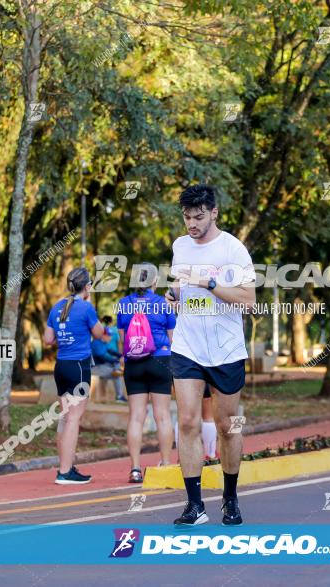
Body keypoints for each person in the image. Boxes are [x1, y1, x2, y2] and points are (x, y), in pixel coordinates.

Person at [164, 184, 256, 526]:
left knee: (228, 426)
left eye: (199, 217)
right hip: (187, 346)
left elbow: (249, 300)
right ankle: (194, 505)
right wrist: (174, 293)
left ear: (214, 213)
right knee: (187, 421)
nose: (192, 223)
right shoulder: (179, 246)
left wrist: (211, 284)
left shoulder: (234, 249)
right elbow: (180, 285)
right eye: (187, 217)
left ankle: (230, 499)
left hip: (226, 349)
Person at [43, 267, 104, 484]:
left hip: (61, 366)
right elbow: (99, 334)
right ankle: (65, 472)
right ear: (87, 287)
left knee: (66, 416)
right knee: (74, 419)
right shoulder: (86, 308)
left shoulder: (57, 306)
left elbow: (48, 339)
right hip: (79, 366)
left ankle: (65, 466)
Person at [117, 263, 176, 483]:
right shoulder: (163, 304)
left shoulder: (124, 304)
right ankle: (167, 463)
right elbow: (173, 339)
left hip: (134, 363)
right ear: (154, 281)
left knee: (136, 417)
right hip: (161, 360)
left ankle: (134, 469)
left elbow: (123, 340)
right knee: (162, 416)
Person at [174, 385, 218, 463]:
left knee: (183, 416)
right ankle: (211, 456)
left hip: (184, 378)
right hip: (206, 377)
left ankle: (182, 458)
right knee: (208, 417)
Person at [91, 319, 124, 402]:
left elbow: (112, 351)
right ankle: (119, 397)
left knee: (116, 371)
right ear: (103, 335)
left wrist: (123, 356)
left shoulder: (103, 342)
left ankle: (118, 397)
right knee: (116, 372)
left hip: (101, 367)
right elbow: (103, 357)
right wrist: (116, 361)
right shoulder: (96, 343)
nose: (110, 337)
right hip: (94, 369)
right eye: (108, 335)